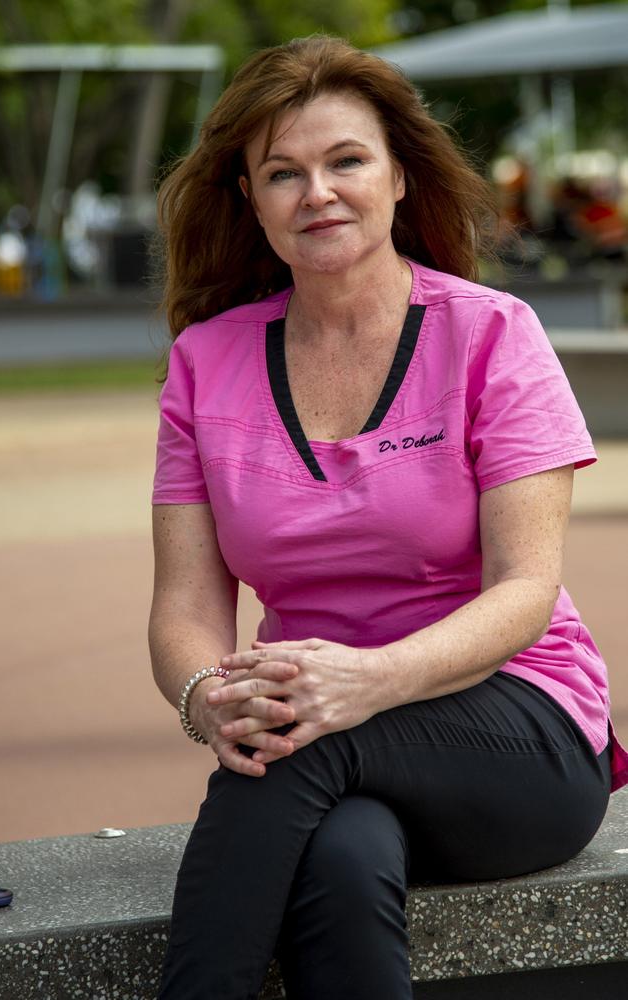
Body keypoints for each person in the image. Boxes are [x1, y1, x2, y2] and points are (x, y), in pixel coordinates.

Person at [148, 35, 628, 1000]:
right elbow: (184, 606)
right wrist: (207, 698)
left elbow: (526, 593)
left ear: (400, 177)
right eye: (283, 173)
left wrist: (369, 681)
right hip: (318, 740)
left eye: (346, 161)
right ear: (249, 198)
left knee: (300, 749)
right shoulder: (207, 361)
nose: (316, 192)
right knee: (342, 857)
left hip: (516, 724)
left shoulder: (493, 334)